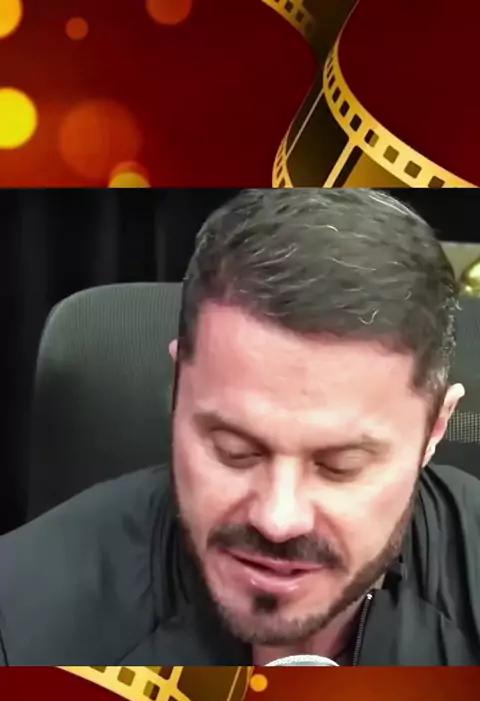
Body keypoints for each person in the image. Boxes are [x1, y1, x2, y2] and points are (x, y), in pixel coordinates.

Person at [0, 188, 479, 666]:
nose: (278, 519)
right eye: (235, 451)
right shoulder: (19, 621)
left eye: (340, 466)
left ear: (435, 430)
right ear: (177, 389)